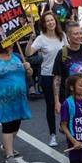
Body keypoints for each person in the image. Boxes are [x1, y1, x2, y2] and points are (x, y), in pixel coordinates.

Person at [27, 11, 65, 146]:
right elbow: (29, 53)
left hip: (63, 76)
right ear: (44, 24)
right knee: (51, 106)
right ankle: (52, 135)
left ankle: (64, 126)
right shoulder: (41, 39)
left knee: (65, 104)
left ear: (56, 21)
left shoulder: (62, 36)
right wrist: (31, 39)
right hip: (48, 76)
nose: (50, 22)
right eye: (47, 21)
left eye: (52, 20)